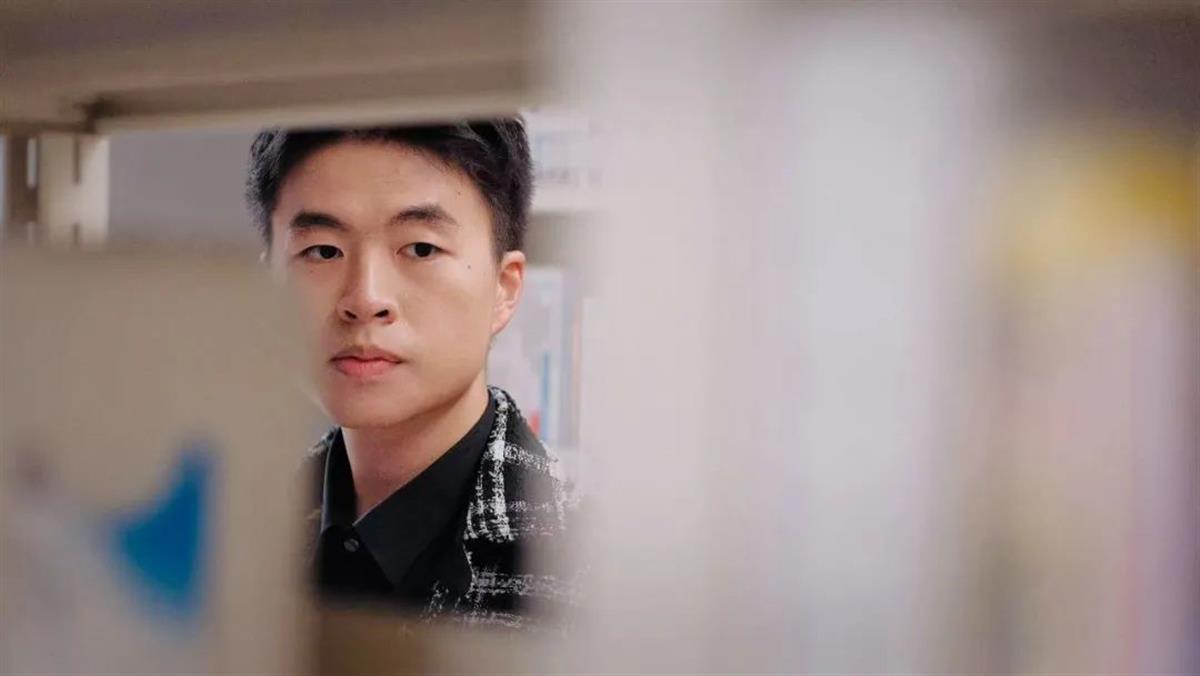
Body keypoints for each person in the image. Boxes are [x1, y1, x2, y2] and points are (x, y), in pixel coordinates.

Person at [245, 119, 575, 629]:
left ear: (505, 288)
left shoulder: (601, 575)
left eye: (421, 248)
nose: (365, 298)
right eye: (322, 251)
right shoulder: (232, 538)